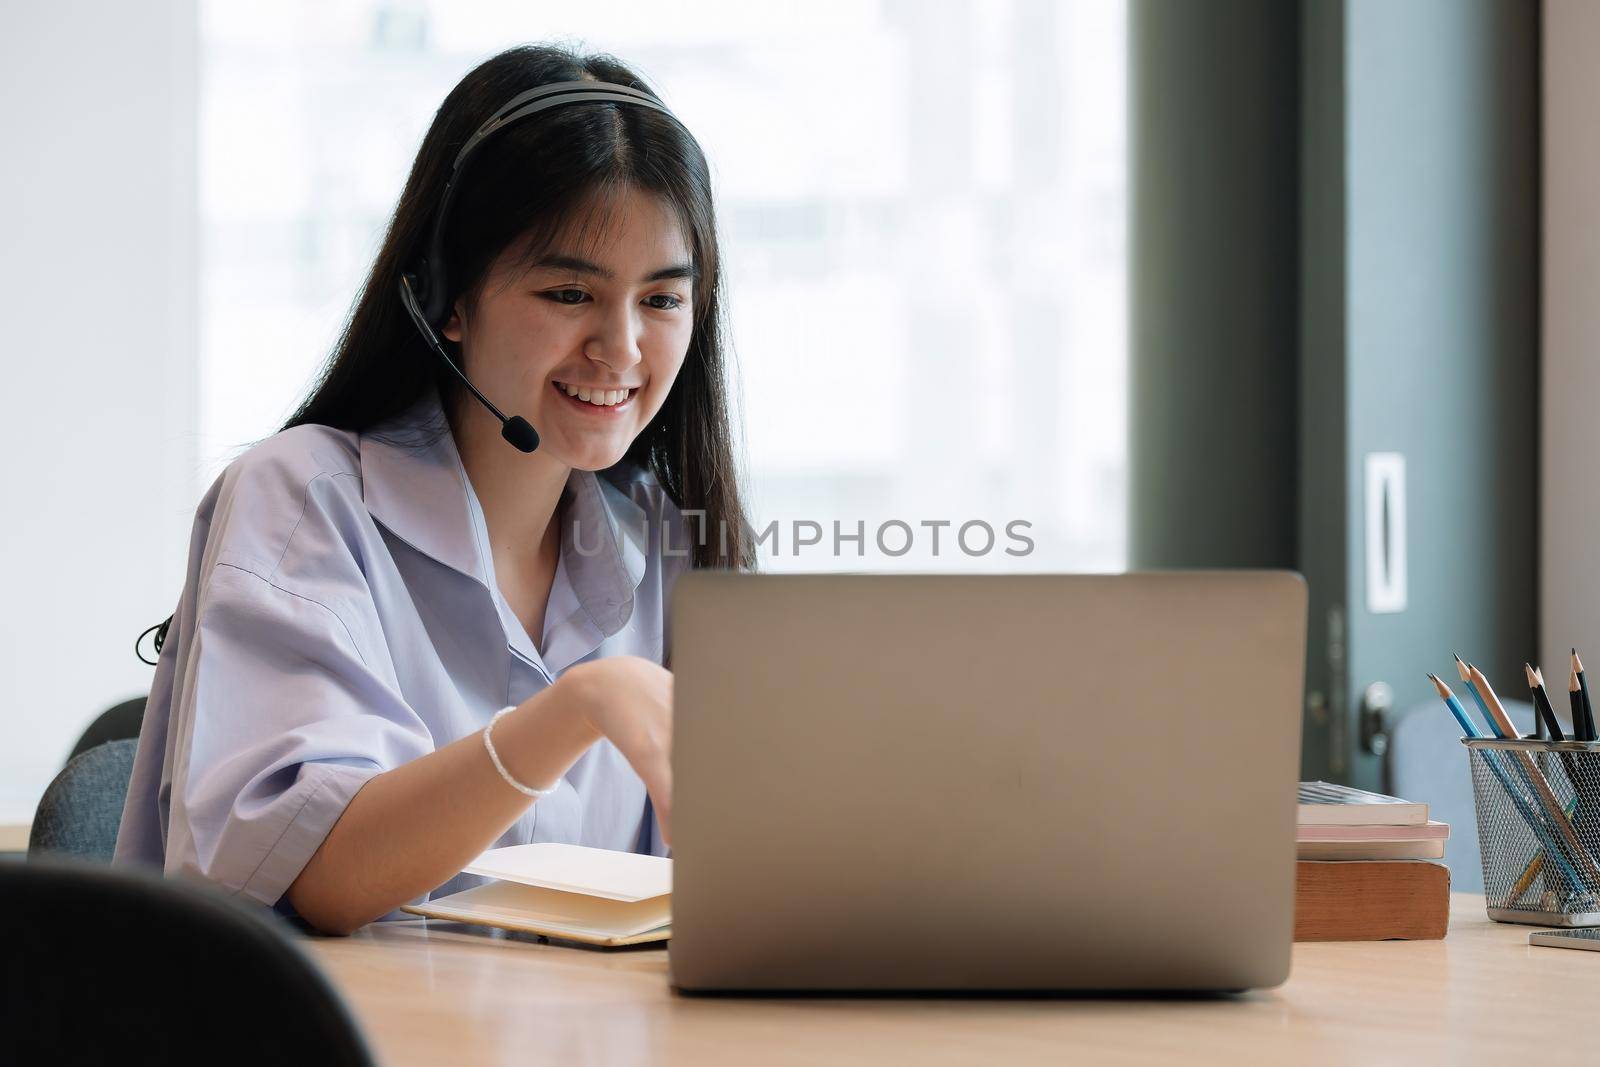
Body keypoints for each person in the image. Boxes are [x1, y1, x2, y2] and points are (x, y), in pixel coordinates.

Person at [114, 44, 751, 935]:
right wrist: (577, 707)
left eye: (662, 300)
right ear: (448, 299)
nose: (622, 348)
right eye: (570, 292)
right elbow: (317, 877)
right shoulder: (303, 499)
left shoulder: (664, 534)